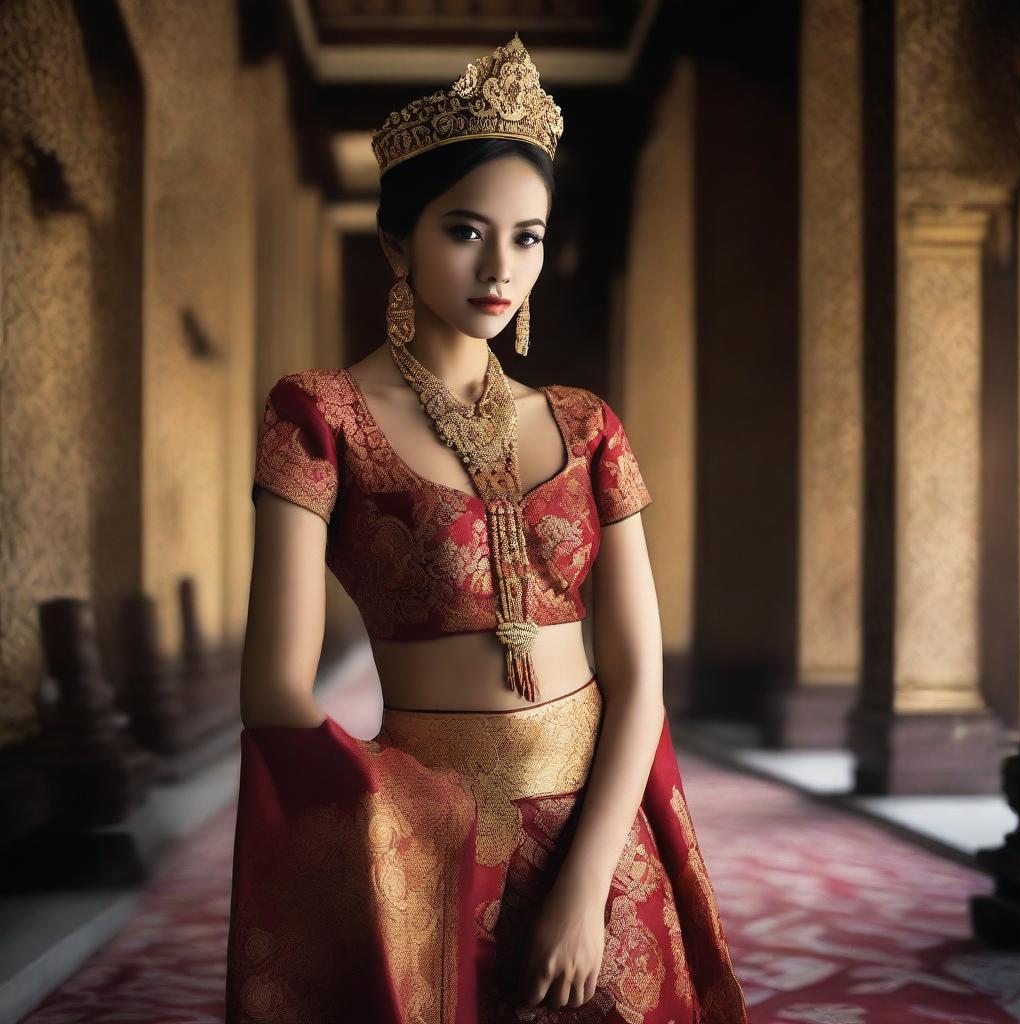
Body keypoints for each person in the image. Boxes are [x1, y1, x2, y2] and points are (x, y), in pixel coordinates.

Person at [225, 33, 748, 1024]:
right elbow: (273, 688)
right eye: (465, 231)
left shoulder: (587, 424)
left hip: (604, 826)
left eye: (529, 236)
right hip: (425, 833)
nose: (501, 266)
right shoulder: (321, 414)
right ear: (397, 242)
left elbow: (637, 679)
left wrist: (589, 886)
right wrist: (411, 819)